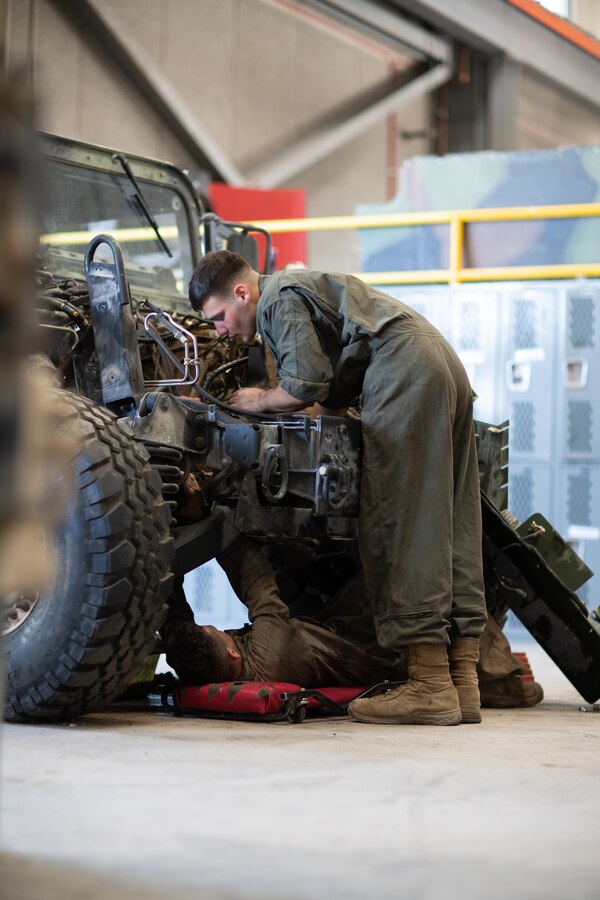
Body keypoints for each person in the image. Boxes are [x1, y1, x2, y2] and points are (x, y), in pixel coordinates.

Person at [188, 252, 489, 726]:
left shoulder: (276, 298)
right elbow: (328, 398)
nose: (220, 330)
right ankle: (463, 682)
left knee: (400, 523)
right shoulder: (303, 289)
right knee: (451, 517)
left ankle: (430, 686)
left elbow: (306, 381)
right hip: (439, 360)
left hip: (403, 370)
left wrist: (259, 399)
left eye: (219, 317)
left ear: (242, 293)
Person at [162, 537, 543, 711]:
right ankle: (500, 681)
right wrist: (214, 528)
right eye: (220, 631)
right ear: (230, 651)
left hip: (334, 632)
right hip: (375, 650)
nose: (225, 630)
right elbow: (256, 579)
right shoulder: (268, 653)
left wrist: (166, 556)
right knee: (420, 572)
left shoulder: (212, 663)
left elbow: (181, 629)